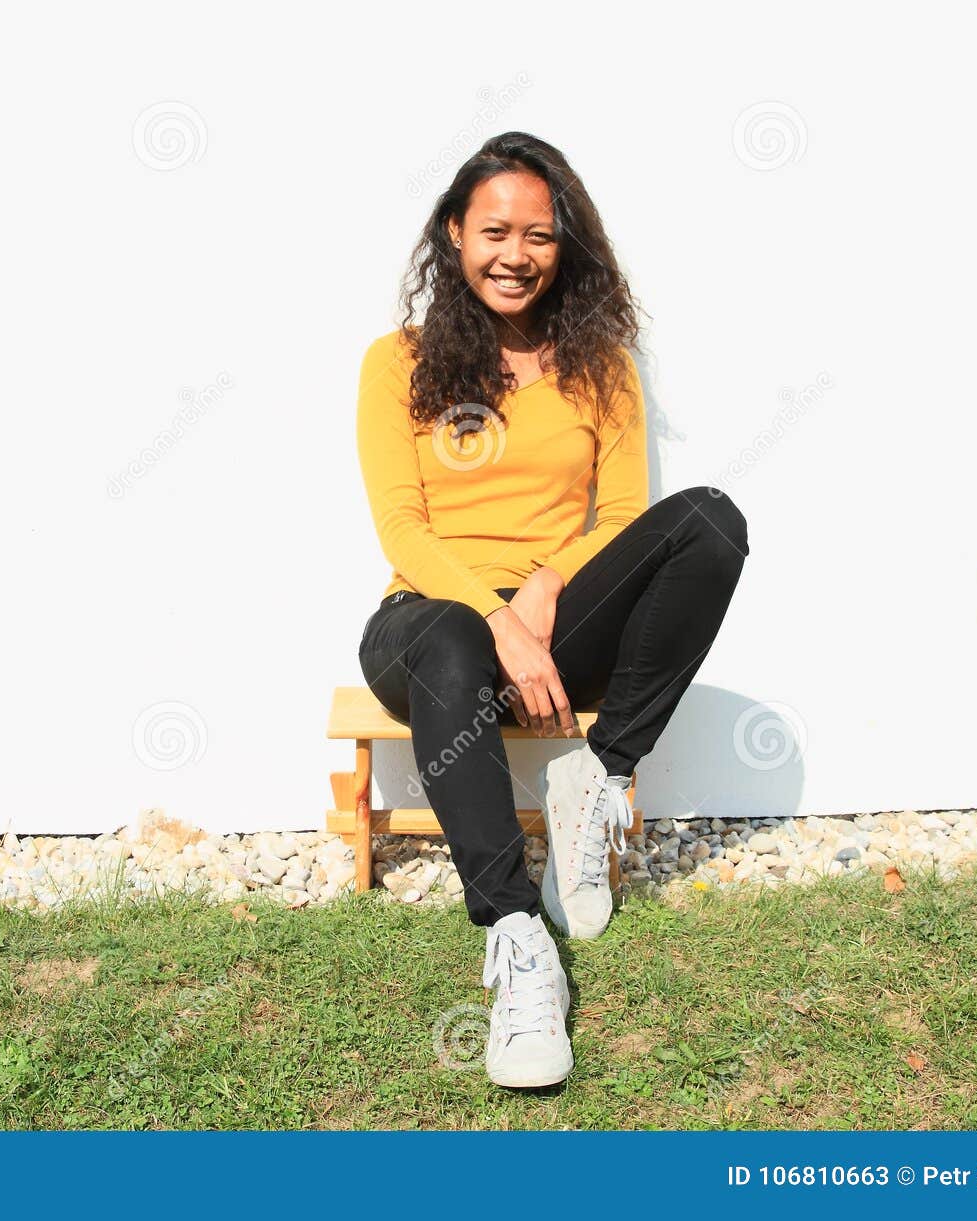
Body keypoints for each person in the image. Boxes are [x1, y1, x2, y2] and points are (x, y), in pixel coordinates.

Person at [355, 131, 749, 1089]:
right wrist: (496, 612)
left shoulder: (601, 365)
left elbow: (619, 518)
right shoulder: (395, 362)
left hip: (553, 629)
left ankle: (600, 778)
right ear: (454, 233)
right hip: (430, 630)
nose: (514, 254)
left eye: (538, 234)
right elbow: (404, 530)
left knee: (709, 521)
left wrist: (542, 588)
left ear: (564, 245)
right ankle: (516, 934)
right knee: (450, 632)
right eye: (494, 230)